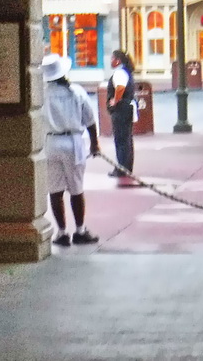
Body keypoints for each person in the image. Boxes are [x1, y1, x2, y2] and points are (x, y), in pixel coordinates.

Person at [41, 54, 100, 247]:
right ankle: (80, 230)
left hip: (51, 143)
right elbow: (90, 120)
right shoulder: (77, 92)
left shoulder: (42, 94)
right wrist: (94, 143)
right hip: (73, 142)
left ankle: (62, 232)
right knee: (76, 189)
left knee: (55, 190)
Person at [106, 49, 136, 180]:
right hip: (128, 107)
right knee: (127, 139)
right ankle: (126, 166)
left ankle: (122, 168)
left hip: (122, 109)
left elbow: (120, 87)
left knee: (121, 140)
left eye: (112, 58)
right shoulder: (126, 71)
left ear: (117, 60)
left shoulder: (119, 73)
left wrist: (115, 100)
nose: (110, 61)